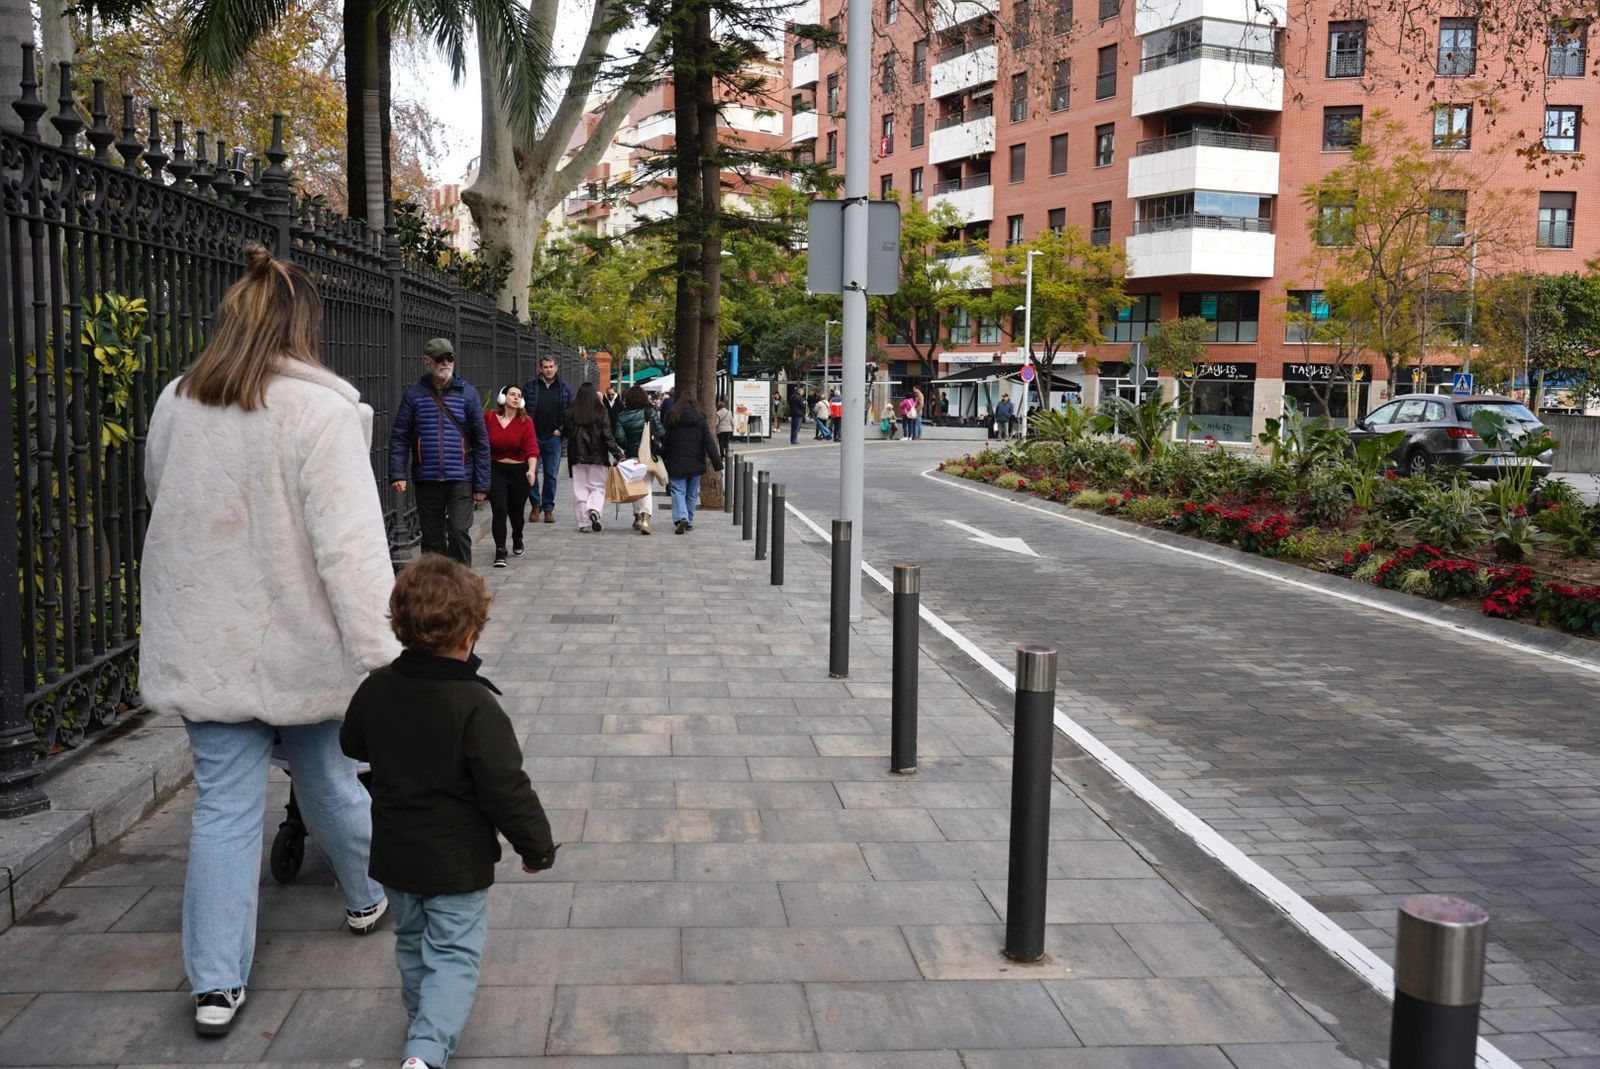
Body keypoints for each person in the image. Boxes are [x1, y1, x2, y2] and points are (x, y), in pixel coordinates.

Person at [140, 244, 397, 1039]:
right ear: (303, 327)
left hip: (207, 635)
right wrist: (389, 658)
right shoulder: (321, 414)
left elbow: (162, 497)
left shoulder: (178, 402)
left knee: (222, 803)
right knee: (326, 772)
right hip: (301, 638)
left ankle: (215, 984)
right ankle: (366, 895)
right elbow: (350, 549)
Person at [341, 555, 557, 1069]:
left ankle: (422, 1022)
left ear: (400, 625)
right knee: (454, 954)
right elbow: (507, 788)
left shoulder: (376, 688)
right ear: (470, 634)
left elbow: (352, 743)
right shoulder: (476, 706)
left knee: (413, 942)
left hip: (395, 853)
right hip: (456, 861)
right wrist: (536, 848)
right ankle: (426, 1050)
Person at [389, 339, 490, 565]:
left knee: (458, 532)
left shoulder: (468, 394)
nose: (445, 363)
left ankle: (462, 588)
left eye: (449, 358)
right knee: (433, 540)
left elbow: (481, 441)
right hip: (427, 478)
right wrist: (397, 473)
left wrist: (482, 484)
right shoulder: (414, 395)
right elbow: (400, 436)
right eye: (440, 358)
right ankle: (435, 590)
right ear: (428, 361)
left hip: (460, 476)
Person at [484, 384, 538, 567]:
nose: (516, 397)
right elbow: (481, 444)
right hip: (495, 470)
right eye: (512, 394)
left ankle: (517, 537)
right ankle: (500, 550)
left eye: (519, 395)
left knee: (516, 514)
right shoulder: (489, 418)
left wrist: (531, 470)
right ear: (502, 397)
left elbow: (532, 448)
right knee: (499, 510)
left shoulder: (526, 422)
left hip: (519, 472)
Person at [561, 382, 625, 532]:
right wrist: (618, 454)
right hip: (597, 455)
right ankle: (594, 509)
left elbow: (568, 433)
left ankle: (584, 523)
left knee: (580, 488)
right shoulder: (601, 411)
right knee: (597, 486)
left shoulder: (571, 412)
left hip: (576, 455)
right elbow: (607, 435)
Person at [662, 395, 723, 534]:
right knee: (691, 493)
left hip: (676, 461)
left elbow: (666, 441)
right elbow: (709, 442)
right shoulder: (700, 418)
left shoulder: (672, 418)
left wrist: (662, 455)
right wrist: (717, 464)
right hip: (696, 462)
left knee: (678, 490)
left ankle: (681, 517)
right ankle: (688, 520)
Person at [523, 356, 573, 526]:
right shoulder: (530, 386)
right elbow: (523, 409)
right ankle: (535, 505)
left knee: (551, 474)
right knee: (532, 472)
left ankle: (548, 507)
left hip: (553, 436)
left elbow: (570, 412)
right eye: (545, 367)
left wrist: (561, 429)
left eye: (551, 366)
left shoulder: (564, 388)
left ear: (556, 367)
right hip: (533, 435)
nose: (548, 370)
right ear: (540, 369)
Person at [611, 385, 665, 536]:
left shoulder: (622, 416)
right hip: (648, 456)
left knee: (635, 487)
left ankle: (637, 517)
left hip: (631, 456)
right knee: (646, 487)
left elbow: (620, 438)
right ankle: (645, 517)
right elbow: (661, 431)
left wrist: (628, 446)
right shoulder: (650, 412)